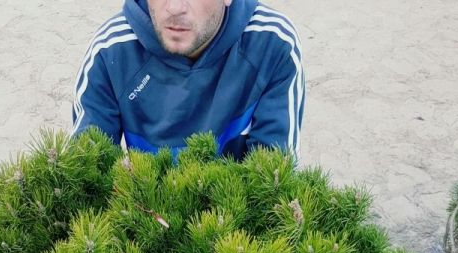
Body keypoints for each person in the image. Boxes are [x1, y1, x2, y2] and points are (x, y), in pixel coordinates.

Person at [72, 0, 304, 163]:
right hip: (145, 213)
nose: (174, 7)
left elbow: (272, 185)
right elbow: (89, 178)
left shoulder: (272, 44)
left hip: (237, 215)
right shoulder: (111, 52)